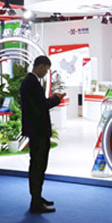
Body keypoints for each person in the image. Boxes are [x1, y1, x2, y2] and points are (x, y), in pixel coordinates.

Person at [20, 56, 65, 213]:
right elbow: (40, 107)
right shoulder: (31, 83)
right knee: (38, 165)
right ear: (40, 66)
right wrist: (56, 99)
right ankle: (36, 201)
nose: (46, 73)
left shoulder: (29, 82)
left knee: (37, 165)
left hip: (36, 130)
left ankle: (37, 197)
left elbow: (38, 104)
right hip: (38, 130)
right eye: (46, 69)